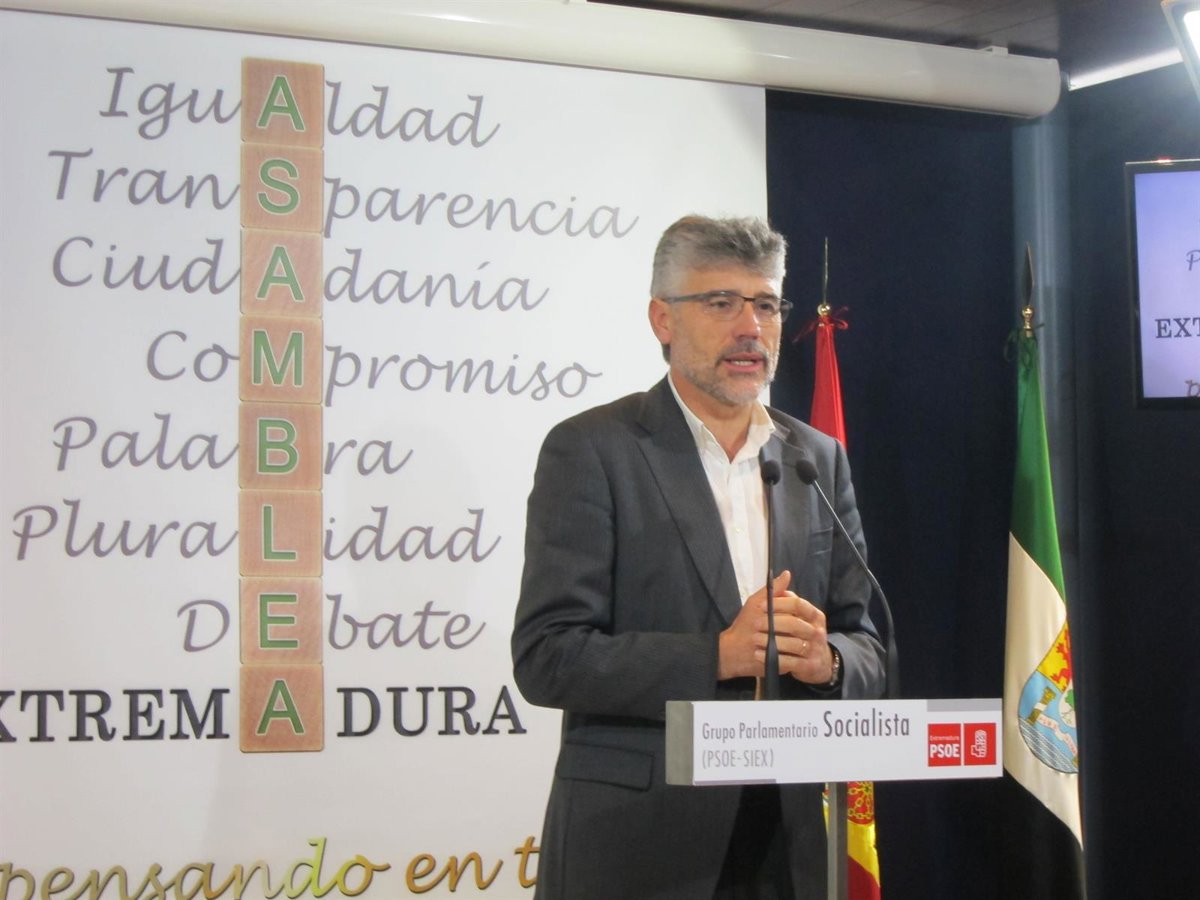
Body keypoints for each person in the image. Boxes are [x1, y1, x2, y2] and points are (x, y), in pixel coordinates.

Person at [511, 215, 886, 900]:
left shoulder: (816, 460)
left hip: (790, 841)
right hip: (640, 843)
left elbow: (867, 643)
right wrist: (717, 655)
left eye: (766, 304)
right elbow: (548, 655)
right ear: (663, 319)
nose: (750, 328)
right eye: (720, 303)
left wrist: (827, 661)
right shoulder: (592, 450)